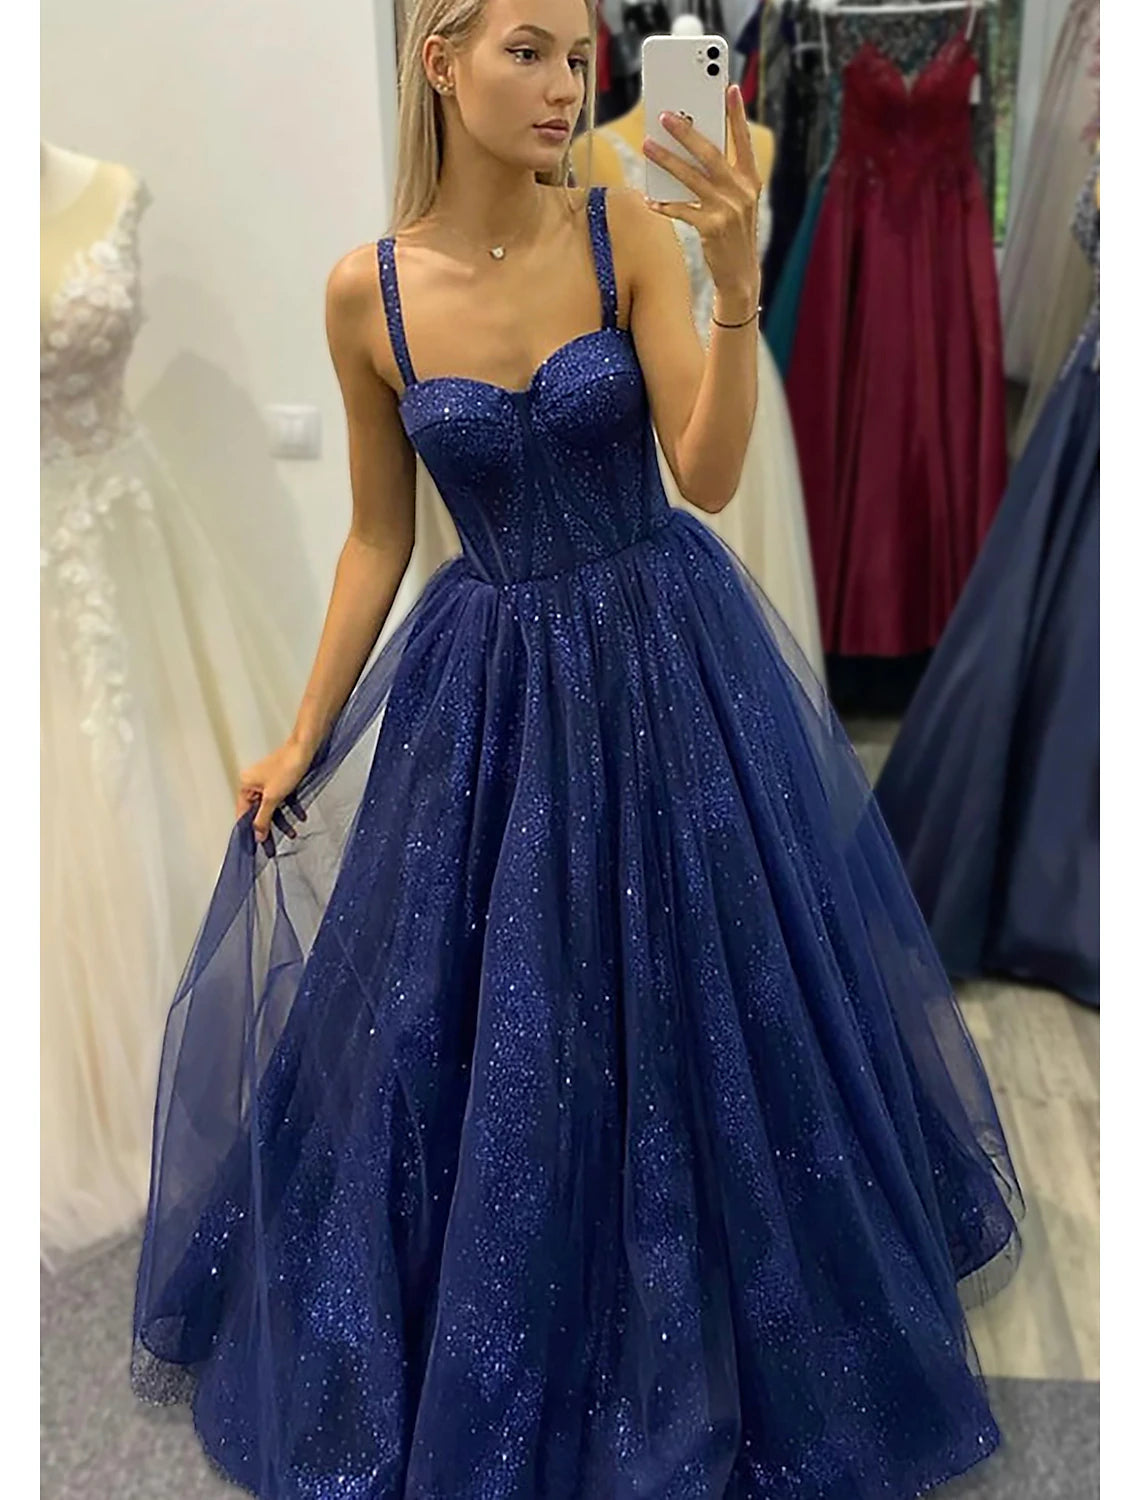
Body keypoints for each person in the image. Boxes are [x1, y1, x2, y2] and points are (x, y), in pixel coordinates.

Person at [130, 3, 1023, 1496]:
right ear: (441, 60)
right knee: (500, 1023)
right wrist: (300, 733)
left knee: (713, 1006)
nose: (565, 86)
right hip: (491, 697)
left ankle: (737, 1330)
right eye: (527, 50)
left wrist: (734, 292)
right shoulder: (367, 294)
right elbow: (376, 537)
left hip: (670, 665)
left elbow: (707, 474)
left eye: (578, 55)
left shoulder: (625, 233)